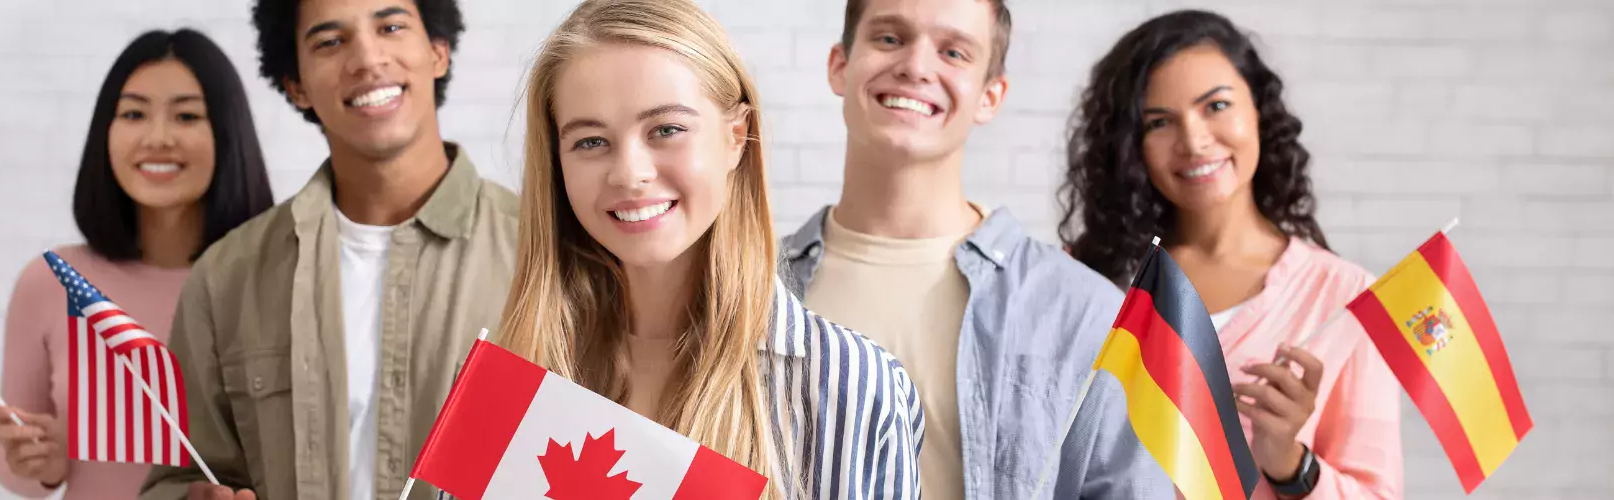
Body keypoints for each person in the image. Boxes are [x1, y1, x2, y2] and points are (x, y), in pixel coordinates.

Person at [496, 0, 923, 497]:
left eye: (667, 130)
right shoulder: (511, 376)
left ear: (736, 136)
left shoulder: (848, 386)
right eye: (591, 141)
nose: (629, 173)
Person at [777, 0, 1174, 498]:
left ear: (991, 95)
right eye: (889, 39)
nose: (916, 67)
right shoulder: (751, 292)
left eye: (954, 52)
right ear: (840, 65)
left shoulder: (1085, 312)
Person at [140, 0, 517, 499]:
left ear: (437, 52)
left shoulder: (542, 253)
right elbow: (178, 476)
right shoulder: (227, 277)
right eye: (330, 42)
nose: (366, 58)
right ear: (296, 85)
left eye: (391, 26)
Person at [1059, 10, 1402, 499]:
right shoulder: (1084, 276)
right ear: (1130, 145)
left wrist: (1289, 462)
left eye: (1216, 106)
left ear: (1259, 110)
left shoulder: (1346, 296)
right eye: (1159, 122)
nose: (1194, 141)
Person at [0, 29, 276, 500]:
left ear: (227, 133)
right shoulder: (53, 281)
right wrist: (37, 461)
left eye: (186, 115)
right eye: (134, 114)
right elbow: (11, 465)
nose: (157, 138)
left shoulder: (276, 278)